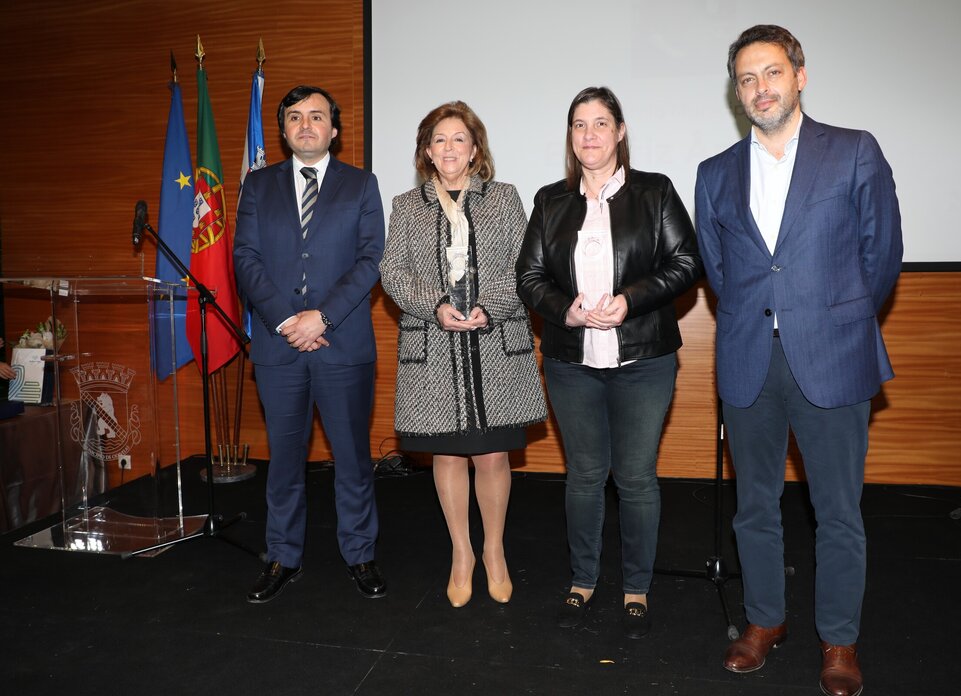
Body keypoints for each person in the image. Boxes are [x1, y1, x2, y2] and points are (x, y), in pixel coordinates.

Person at [694, 25, 903, 696]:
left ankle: (839, 639)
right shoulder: (714, 172)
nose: (760, 87)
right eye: (747, 78)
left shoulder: (853, 151)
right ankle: (764, 621)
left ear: (800, 76)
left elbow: (881, 256)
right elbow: (720, 272)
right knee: (753, 506)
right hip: (748, 358)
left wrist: (833, 320)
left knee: (837, 511)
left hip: (834, 357)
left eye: (772, 72)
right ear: (737, 92)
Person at [516, 86, 703, 639]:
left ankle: (637, 587)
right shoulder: (550, 200)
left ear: (620, 132)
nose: (589, 134)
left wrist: (630, 300)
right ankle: (583, 579)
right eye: (579, 125)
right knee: (584, 476)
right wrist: (565, 311)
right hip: (571, 361)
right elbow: (529, 276)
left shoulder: (655, 191)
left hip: (644, 358)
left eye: (600, 123)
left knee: (637, 477)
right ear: (570, 136)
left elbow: (687, 262)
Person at [379, 101, 546, 608]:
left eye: (459, 139)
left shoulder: (504, 198)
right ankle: (461, 552)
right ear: (426, 152)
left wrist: (487, 306)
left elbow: (525, 264)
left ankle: (494, 550)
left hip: (495, 346)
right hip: (434, 348)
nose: (449, 148)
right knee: (447, 454)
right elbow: (393, 272)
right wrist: (435, 306)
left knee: (493, 454)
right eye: (439, 140)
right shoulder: (407, 206)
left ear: (475, 150)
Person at [234, 85, 387, 603]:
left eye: (316, 116)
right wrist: (286, 321)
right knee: (283, 461)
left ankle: (360, 554)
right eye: (295, 117)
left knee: (352, 458)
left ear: (334, 130)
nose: (306, 125)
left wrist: (321, 317)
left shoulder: (362, 185)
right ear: (283, 130)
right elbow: (246, 259)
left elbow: (371, 259)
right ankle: (283, 556)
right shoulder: (258, 186)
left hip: (343, 345)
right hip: (278, 348)